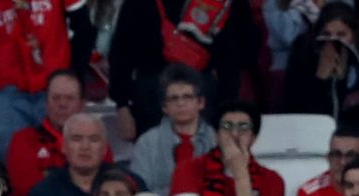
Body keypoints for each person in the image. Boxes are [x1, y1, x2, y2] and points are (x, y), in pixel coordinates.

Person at [108, 0, 261, 139]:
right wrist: (122, 105)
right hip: (182, 95)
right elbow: (245, 50)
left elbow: (121, 51)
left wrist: (122, 104)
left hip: (166, 95)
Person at [0, 0, 92, 161]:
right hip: (4, 93)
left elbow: (84, 29)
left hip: (54, 88)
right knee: (12, 161)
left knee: (67, 159)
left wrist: (73, 84)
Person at [170, 100, 285, 196]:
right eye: (226, 126)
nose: (234, 134)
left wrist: (241, 174)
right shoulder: (187, 169)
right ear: (216, 134)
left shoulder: (272, 179)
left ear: (254, 137)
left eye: (243, 127)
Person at [25, 114, 133, 196]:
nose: (85, 147)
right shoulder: (42, 195)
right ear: (63, 146)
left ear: (105, 148)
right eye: (76, 139)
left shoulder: (130, 185)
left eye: (94, 139)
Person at [284, 2, 359, 129]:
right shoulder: (303, 58)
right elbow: (294, 109)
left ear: (354, 35)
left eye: (341, 35)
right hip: (310, 131)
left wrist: (341, 83)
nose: (334, 40)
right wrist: (321, 79)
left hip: (353, 134)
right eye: (326, 34)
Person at [4, 70, 86, 196]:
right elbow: (29, 190)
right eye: (56, 98)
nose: (62, 104)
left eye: (69, 98)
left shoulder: (96, 141)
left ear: (82, 104)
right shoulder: (23, 140)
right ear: (46, 103)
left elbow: (102, 185)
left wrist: (51, 175)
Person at [129, 64, 217, 196]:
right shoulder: (146, 143)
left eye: (187, 97)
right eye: (174, 98)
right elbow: (138, 193)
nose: (180, 103)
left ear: (201, 102)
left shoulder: (217, 140)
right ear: (164, 107)